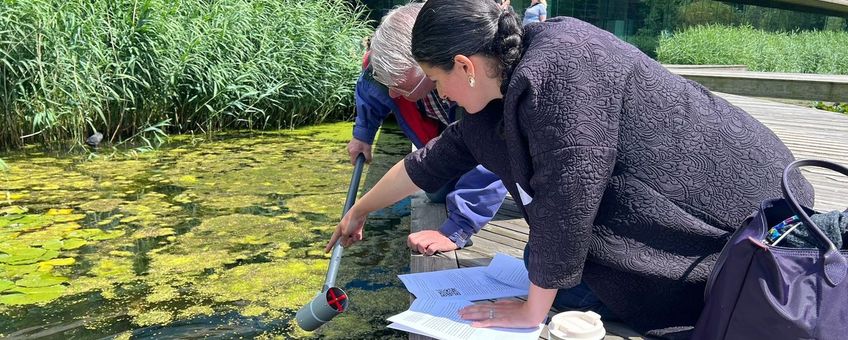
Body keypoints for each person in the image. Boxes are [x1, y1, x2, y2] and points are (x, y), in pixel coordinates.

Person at [328, 0, 814, 338]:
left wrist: (529, 312)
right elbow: (429, 164)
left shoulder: (563, 63)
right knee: (572, 286)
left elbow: (569, 195)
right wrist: (359, 212)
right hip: (678, 209)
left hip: (752, 217)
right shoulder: (486, 103)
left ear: (464, 66)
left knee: (579, 298)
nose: (441, 97)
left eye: (436, 81)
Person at [346, 3, 507, 254]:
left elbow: (494, 153)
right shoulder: (384, 65)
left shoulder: (479, 85)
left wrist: (458, 227)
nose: (391, 94)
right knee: (438, 193)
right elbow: (372, 94)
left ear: (427, 63)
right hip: (443, 137)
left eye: (399, 86)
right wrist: (362, 135)